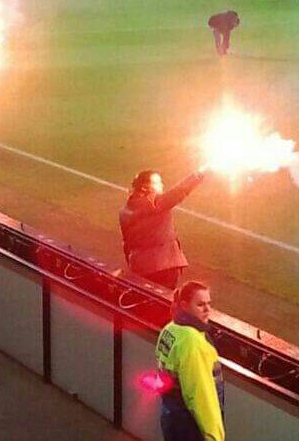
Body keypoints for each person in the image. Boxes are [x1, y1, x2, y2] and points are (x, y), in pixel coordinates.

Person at [155, 281, 225, 441]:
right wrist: (214, 436)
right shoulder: (193, 342)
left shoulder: (170, 328)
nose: (207, 309)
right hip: (191, 426)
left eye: (209, 304)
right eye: (200, 304)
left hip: (171, 415)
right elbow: (201, 395)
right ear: (185, 305)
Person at [119, 167, 208, 289]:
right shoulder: (155, 204)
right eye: (157, 182)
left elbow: (127, 245)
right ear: (145, 187)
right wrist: (202, 172)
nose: (162, 185)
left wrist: (133, 264)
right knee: (162, 302)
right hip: (164, 267)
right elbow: (181, 190)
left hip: (139, 267)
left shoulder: (124, 212)